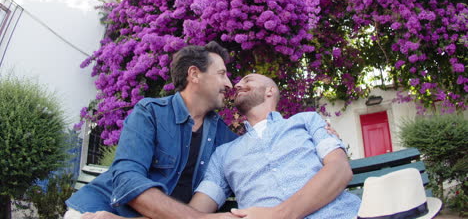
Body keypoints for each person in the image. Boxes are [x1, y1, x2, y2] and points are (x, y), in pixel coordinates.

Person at [83, 73, 360, 219]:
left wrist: (279, 214)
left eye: (248, 81)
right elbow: (194, 214)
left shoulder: (306, 121)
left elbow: (339, 169)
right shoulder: (224, 152)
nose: (237, 85)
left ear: (270, 91)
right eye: (236, 81)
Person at [65, 41, 240, 219]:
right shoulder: (151, 112)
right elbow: (127, 179)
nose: (229, 84)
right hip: (99, 210)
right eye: (221, 74)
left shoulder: (225, 138)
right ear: (194, 74)